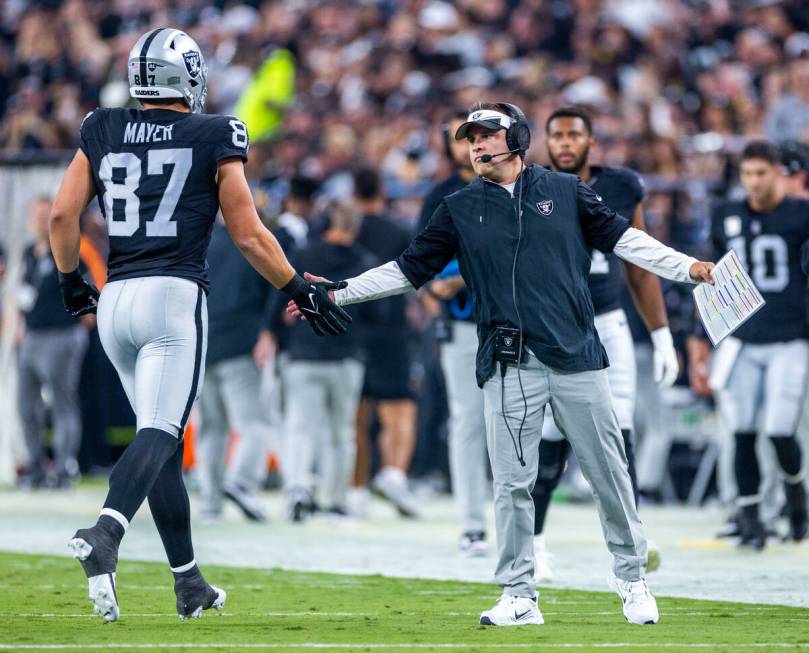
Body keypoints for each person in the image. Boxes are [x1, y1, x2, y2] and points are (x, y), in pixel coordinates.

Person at [289, 101, 715, 627]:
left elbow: (628, 242)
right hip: (509, 360)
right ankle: (519, 592)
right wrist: (339, 293)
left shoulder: (565, 190)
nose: (476, 145)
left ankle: (630, 577)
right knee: (512, 482)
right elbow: (408, 270)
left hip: (577, 355)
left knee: (609, 472)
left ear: (516, 138)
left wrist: (688, 268)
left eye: (487, 135)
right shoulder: (460, 206)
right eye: (471, 138)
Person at [48, 27, 349, 622]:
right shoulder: (216, 133)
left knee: (152, 440)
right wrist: (297, 288)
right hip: (173, 294)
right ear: (186, 75)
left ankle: (189, 582)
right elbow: (248, 232)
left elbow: (62, 214)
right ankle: (107, 531)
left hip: (115, 298)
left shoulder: (101, 126)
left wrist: (70, 282)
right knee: (163, 431)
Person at [530, 107, 679, 581]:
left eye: (575, 134)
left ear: (592, 142)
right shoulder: (530, 186)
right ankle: (533, 541)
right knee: (552, 439)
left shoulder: (620, 186)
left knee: (620, 427)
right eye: (557, 135)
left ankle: (632, 538)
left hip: (609, 320)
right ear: (546, 142)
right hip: (556, 325)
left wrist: (661, 334)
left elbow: (637, 260)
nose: (566, 143)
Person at [690, 140, 809, 549]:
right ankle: (750, 514)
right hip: (741, 339)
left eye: (761, 173)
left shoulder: (801, 214)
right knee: (741, 432)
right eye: (748, 174)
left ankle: (796, 494)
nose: (754, 182)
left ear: (778, 173)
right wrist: (700, 342)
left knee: (779, 430)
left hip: (790, 337)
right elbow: (712, 280)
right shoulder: (726, 215)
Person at [274, 200, 376, 521]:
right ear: (356, 227)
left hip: (304, 355)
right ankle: (336, 499)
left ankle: (297, 489)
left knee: (300, 427)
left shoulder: (304, 255)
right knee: (341, 433)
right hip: (346, 358)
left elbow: (279, 304)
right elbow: (378, 314)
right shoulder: (364, 260)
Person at [418, 110, 489, 555]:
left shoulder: (513, 185)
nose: (467, 146)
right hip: (463, 323)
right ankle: (473, 523)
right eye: (459, 139)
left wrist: (460, 275)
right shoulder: (440, 196)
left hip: (511, 319)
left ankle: (526, 524)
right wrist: (433, 297)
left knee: (519, 420)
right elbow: (419, 261)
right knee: (467, 419)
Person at [194, 218, 274, 523]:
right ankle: (241, 481)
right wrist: (267, 332)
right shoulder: (252, 242)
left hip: (203, 344)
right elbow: (270, 290)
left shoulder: (201, 243)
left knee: (211, 430)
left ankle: (210, 505)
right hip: (241, 344)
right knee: (254, 423)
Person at [352, 167, 419, 518]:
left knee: (357, 416)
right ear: (382, 190)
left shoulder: (347, 228)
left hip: (349, 328)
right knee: (399, 409)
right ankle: (393, 473)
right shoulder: (397, 230)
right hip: (391, 329)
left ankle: (356, 489)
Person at [16, 196, 92, 489]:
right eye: (36, 216)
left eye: (45, 216)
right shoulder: (28, 254)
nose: (39, 222)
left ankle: (63, 469)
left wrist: (80, 329)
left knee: (62, 403)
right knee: (26, 406)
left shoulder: (69, 250)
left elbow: (88, 297)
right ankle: (35, 468)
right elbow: (23, 294)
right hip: (32, 336)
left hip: (61, 335)